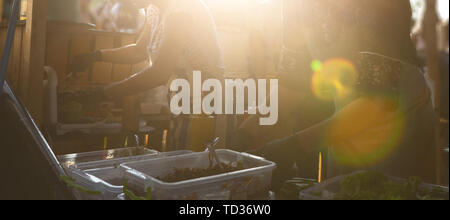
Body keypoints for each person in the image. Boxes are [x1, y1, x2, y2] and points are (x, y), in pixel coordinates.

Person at [262, 0, 437, 190]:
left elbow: (377, 102)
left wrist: (294, 145)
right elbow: (292, 83)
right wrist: (246, 135)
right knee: (347, 187)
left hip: (396, 115)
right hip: (345, 126)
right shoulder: (294, 6)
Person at [70, 0, 224, 100]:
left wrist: (103, 94)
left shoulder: (181, 12)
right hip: (181, 97)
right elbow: (139, 51)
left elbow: (159, 73)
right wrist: (95, 56)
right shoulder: (154, 10)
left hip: (204, 102)